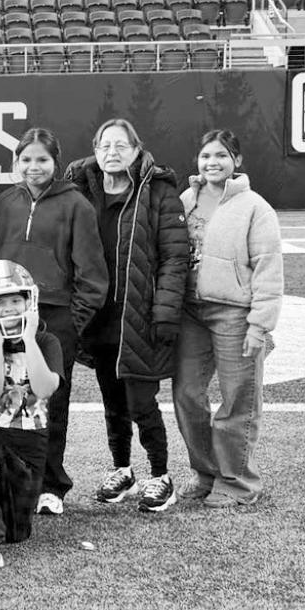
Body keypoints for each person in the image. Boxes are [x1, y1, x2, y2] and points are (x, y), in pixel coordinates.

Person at [65, 118, 189, 513]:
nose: (112, 153)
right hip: (99, 317)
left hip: (139, 314)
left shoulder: (158, 191)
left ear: (137, 150)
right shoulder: (81, 187)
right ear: (95, 150)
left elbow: (174, 257)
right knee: (112, 402)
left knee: (141, 402)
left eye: (121, 145)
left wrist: (165, 310)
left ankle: (161, 475)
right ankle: (122, 469)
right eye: (105, 146)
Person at [0, 127, 108, 516]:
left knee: (50, 402)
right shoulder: (5, 202)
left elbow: (92, 276)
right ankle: (8, 479)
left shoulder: (76, 206)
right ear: (15, 162)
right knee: (5, 398)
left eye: (42, 159)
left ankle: (51, 484)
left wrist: (70, 323)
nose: (33, 167)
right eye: (26, 159)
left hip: (54, 319)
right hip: (5, 315)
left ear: (56, 162)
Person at [172, 129, 283, 508]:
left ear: (237, 161)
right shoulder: (185, 199)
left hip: (234, 313)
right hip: (191, 311)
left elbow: (269, 268)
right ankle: (206, 473)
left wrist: (260, 325)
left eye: (221, 155)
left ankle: (238, 482)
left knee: (239, 398)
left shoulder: (255, 207)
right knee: (186, 393)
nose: (212, 162)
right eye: (205, 156)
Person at [0, 261, 62, 569]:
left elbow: (44, 389)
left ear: (29, 301)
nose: (8, 309)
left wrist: (29, 339)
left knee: (16, 533)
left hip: (28, 444)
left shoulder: (46, 341)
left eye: (15, 300)